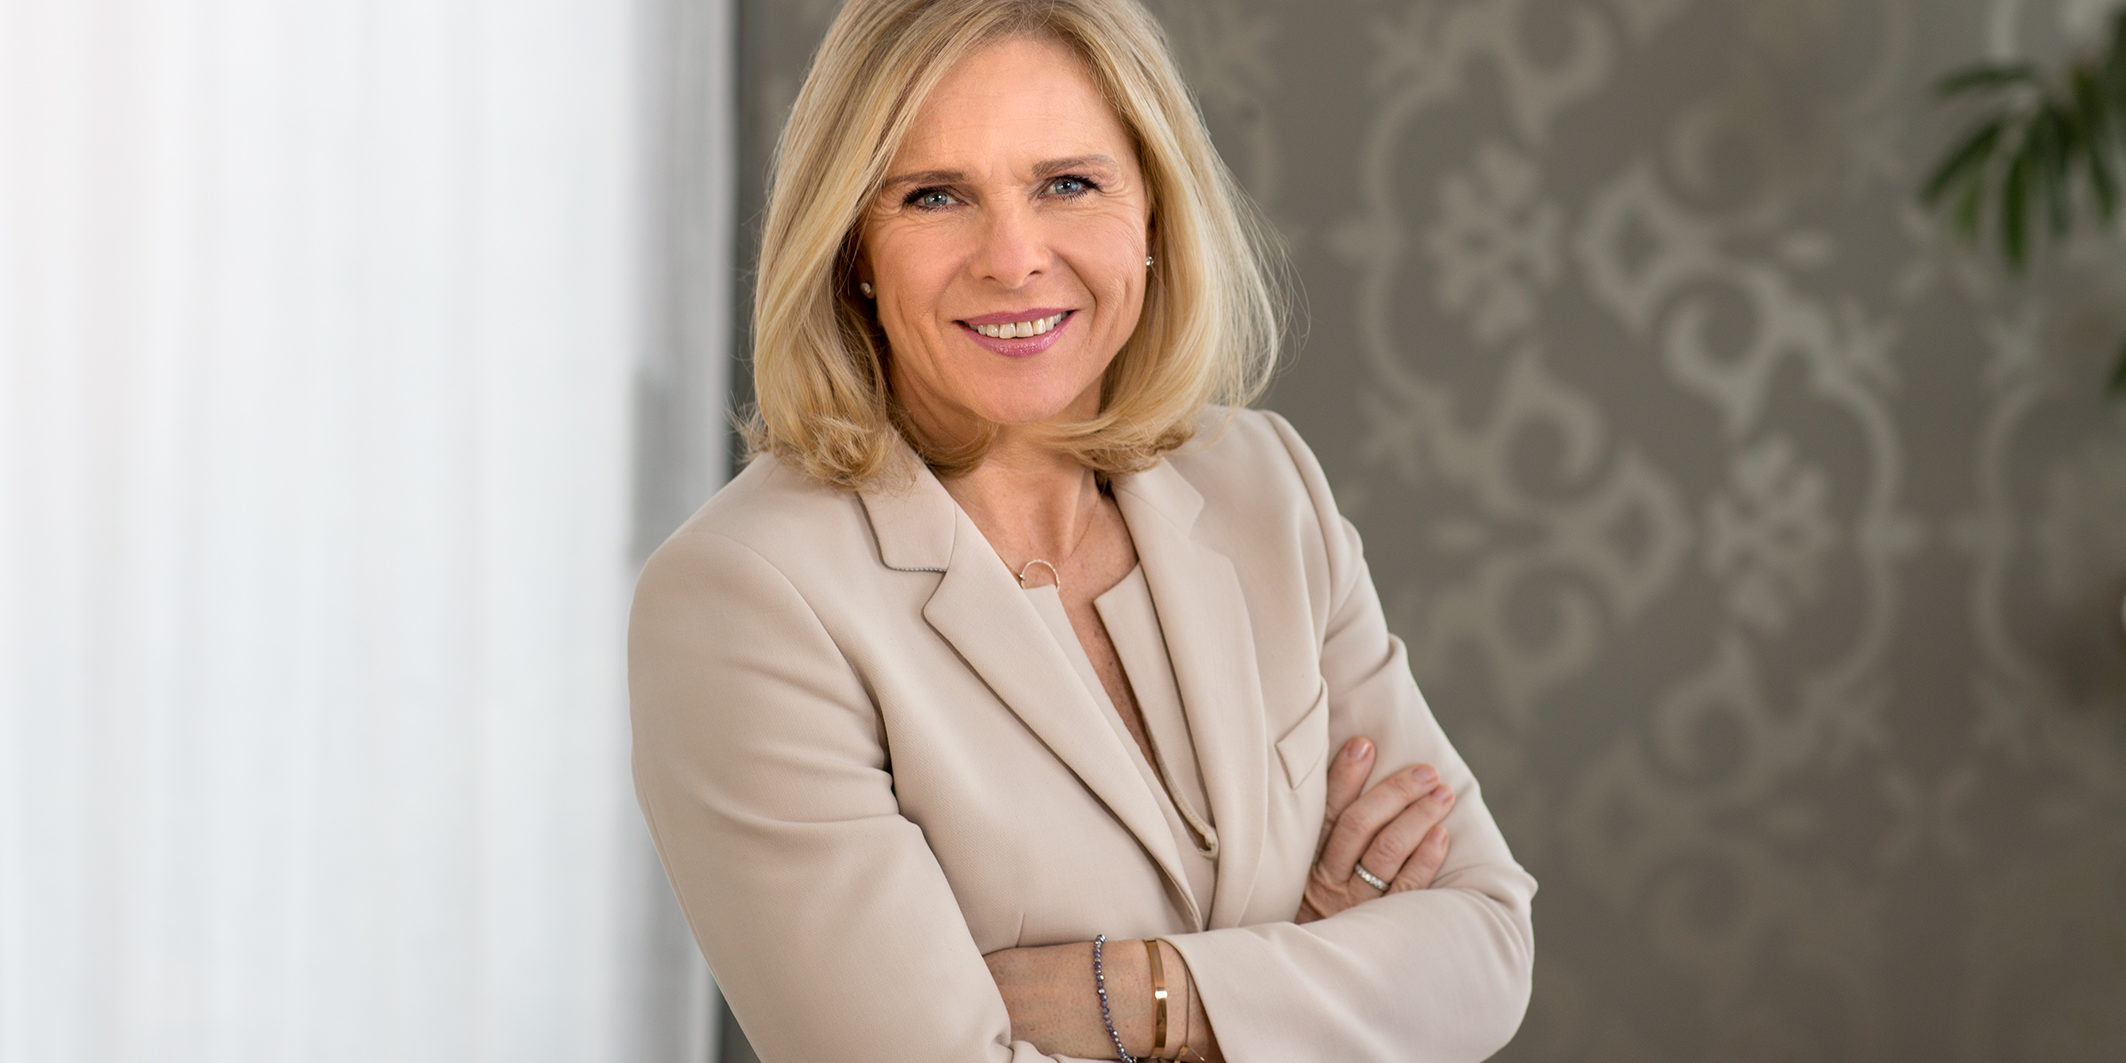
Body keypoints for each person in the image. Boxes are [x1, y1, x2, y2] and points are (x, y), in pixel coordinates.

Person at [628, 1, 1536, 1059]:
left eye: (1067, 183)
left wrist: (1145, 995)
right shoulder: (745, 598)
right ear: (852, 249)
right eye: (934, 195)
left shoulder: (1263, 483)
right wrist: (1311, 967)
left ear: (1150, 211)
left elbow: (1484, 944)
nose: (1013, 259)